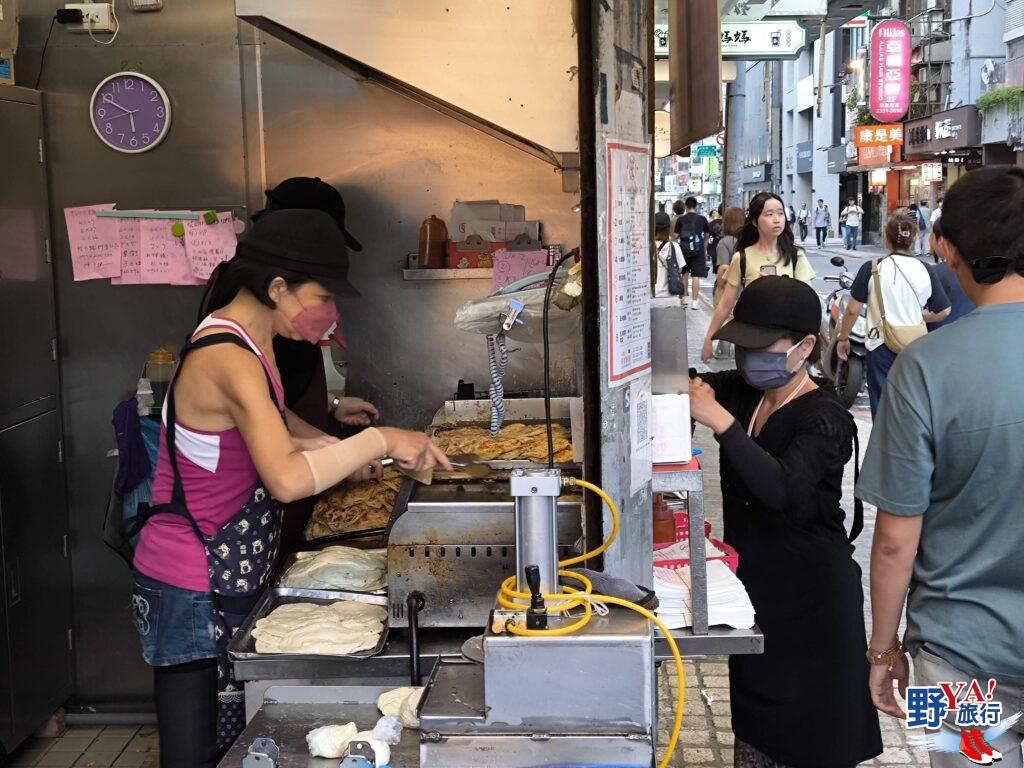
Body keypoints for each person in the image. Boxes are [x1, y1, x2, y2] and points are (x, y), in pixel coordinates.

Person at [131, 209, 451, 767]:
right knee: (192, 750)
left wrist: (331, 448)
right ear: (277, 287)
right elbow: (282, 478)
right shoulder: (227, 355)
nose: (328, 311)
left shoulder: (253, 342)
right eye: (320, 295)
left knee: (232, 737)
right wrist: (378, 440)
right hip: (188, 577)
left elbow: (276, 426)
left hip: (224, 564)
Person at [857, 166, 1024, 767]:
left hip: (953, 660)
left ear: (948, 248)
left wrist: (882, 650)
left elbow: (896, 539)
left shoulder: (924, 368)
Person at [690, 276, 882, 768]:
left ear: (806, 346)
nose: (747, 357)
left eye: (761, 346)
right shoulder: (749, 392)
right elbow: (689, 384)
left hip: (813, 601)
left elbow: (781, 489)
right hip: (757, 594)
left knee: (812, 738)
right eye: (741, 346)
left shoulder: (825, 416)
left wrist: (723, 425)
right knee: (758, 728)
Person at [243, 177, 380, 551]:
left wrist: (330, 411)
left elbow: (272, 402)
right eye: (322, 293)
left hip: (263, 526)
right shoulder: (232, 343)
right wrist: (345, 451)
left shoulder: (265, 328)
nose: (326, 310)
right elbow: (262, 420)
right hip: (248, 521)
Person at [835, 212, 950, 416]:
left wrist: (843, 338)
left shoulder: (871, 268)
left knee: (882, 404)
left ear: (886, 239)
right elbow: (943, 310)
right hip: (915, 346)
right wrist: (922, 316)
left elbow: (852, 310)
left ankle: (884, 444)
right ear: (913, 240)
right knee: (912, 402)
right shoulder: (926, 269)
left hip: (881, 346)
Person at [701, 192, 815, 362]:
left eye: (780, 213)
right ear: (755, 221)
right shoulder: (742, 257)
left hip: (788, 341)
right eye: (769, 214)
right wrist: (708, 340)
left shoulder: (795, 256)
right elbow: (725, 304)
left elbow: (808, 301)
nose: (777, 219)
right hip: (752, 340)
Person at [924, 218, 974, 330]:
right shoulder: (977, 269)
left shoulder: (933, 273)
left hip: (938, 337)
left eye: (931, 236)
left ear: (940, 241)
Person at [674, 196, 710, 309]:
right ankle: (695, 302)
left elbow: (675, 236)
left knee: (684, 273)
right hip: (698, 247)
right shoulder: (702, 219)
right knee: (696, 276)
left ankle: (684, 299)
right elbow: (707, 235)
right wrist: (703, 247)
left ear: (686, 206)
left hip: (684, 247)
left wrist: (677, 246)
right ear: (696, 206)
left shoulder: (681, 219)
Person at [653, 211, 685, 299]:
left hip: (650, 295)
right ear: (669, 227)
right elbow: (680, 271)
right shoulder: (674, 246)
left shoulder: (647, 247)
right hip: (670, 295)